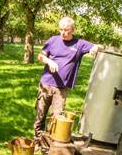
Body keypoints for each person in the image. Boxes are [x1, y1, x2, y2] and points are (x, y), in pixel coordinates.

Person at [33, 16, 100, 147]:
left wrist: (95, 48)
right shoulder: (53, 40)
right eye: (61, 29)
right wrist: (49, 61)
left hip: (61, 88)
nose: (63, 32)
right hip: (46, 84)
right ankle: (36, 142)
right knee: (40, 116)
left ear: (72, 30)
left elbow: (98, 46)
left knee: (57, 118)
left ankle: (49, 145)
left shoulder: (79, 44)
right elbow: (40, 56)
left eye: (66, 30)